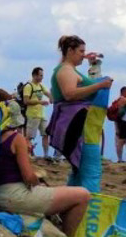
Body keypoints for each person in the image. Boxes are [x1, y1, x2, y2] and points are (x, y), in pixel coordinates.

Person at [0, 89, 91, 235]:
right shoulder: (15, 138)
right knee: (82, 195)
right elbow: (28, 177)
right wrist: (36, 179)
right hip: (16, 196)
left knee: (62, 195)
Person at [47, 35, 114, 193]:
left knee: (79, 172)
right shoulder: (65, 70)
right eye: (81, 51)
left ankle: (71, 206)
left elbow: (81, 86)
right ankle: (88, 210)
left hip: (84, 126)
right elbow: (70, 94)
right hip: (81, 128)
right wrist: (100, 86)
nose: (83, 55)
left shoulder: (67, 69)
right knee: (91, 171)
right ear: (70, 51)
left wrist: (93, 64)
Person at [22, 67, 52, 158]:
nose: (42, 77)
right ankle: (27, 155)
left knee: (46, 134)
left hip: (42, 114)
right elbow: (26, 101)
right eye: (40, 75)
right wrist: (40, 102)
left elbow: (48, 94)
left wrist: (53, 98)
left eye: (42, 75)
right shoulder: (28, 86)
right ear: (34, 75)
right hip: (33, 115)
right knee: (29, 136)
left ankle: (46, 155)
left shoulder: (41, 86)